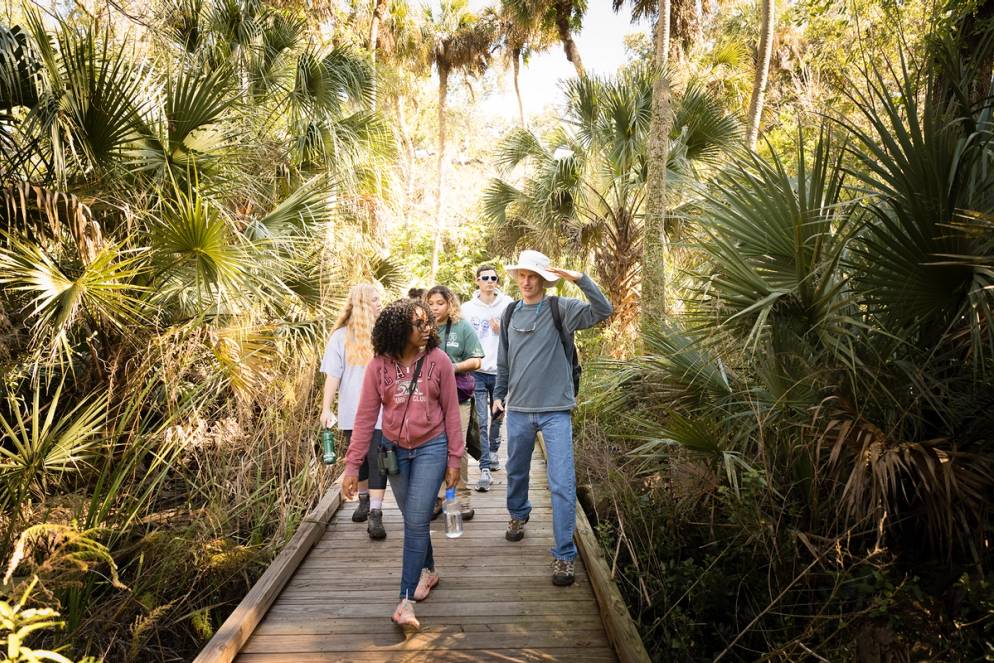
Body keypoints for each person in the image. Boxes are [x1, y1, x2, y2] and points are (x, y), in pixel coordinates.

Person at [342, 299, 463, 631]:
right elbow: (365, 418)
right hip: (394, 451)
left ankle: (405, 602)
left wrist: (455, 458)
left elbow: (452, 413)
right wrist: (353, 466)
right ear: (398, 330)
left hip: (431, 447)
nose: (427, 328)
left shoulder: (439, 361)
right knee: (415, 519)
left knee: (416, 520)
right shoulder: (378, 367)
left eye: (428, 323)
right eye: (418, 324)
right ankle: (430, 570)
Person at [493, 250, 612, 586]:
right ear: (516, 277)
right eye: (522, 275)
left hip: (556, 411)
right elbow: (504, 360)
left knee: (562, 484)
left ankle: (563, 555)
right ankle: (518, 515)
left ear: (545, 279)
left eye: (534, 276)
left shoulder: (562, 308)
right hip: (518, 410)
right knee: (516, 471)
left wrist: (580, 279)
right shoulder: (511, 311)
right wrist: (499, 395)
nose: (527, 281)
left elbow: (604, 310)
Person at [319, 284, 387, 539]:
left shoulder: (384, 335)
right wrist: (326, 408)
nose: (379, 302)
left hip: (382, 410)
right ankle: (364, 499)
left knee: (377, 458)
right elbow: (333, 376)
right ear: (362, 304)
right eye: (375, 299)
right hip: (351, 409)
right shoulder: (340, 336)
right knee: (358, 460)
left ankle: (376, 514)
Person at [425, 285, 483, 520]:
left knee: (456, 448)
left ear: (450, 304)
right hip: (429, 401)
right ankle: (438, 498)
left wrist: (452, 368)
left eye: (440, 303)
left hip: (458, 399)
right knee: (433, 449)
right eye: (431, 303)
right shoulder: (422, 328)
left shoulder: (462, 327)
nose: (435, 308)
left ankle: (462, 499)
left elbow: (477, 360)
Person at [460, 265, 513, 491]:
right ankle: (484, 469)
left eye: (494, 278)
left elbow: (518, 336)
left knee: (497, 416)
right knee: (481, 419)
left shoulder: (508, 304)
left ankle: (493, 450)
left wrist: (503, 330)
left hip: (502, 370)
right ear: (477, 281)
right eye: (485, 278)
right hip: (478, 371)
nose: (490, 281)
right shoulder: (467, 309)